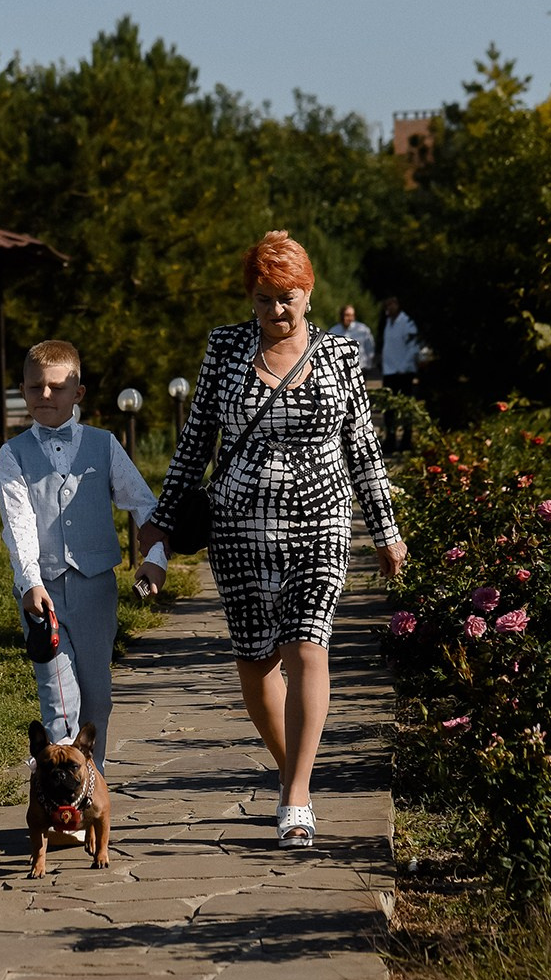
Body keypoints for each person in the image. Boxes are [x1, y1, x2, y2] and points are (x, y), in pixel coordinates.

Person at [140, 232, 406, 849]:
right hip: (238, 527)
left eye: (286, 299)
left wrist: (386, 532)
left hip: (322, 521)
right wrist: (161, 516)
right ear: (250, 299)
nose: (275, 312)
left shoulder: (341, 355)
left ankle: (296, 797)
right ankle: (296, 772)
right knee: (257, 659)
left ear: (309, 294)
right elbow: (195, 441)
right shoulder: (227, 348)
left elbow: (363, 451)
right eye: (264, 300)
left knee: (307, 645)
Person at [0, 339, 167, 783]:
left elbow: (143, 504)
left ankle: (93, 782)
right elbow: (19, 525)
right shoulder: (13, 455)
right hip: (43, 593)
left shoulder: (104, 445)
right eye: (35, 388)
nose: (45, 396)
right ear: (22, 390)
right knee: (59, 697)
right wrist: (30, 581)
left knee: (97, 697)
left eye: (56, 387)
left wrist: (156, 557)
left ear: (79, 393)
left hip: (96, 589)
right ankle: (60, 794)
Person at [379, 296, 420, 454]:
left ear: (397, 305)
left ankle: (406, 440)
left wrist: (403, 366)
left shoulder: (406, 322)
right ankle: (390, 439)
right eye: (386, 305)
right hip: (389, 371)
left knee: (406, 407)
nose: (388, 308)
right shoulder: (388, 323)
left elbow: (413, 347)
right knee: (389, 408)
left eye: (391, 305)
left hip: (404, 372)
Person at [327, 303, 375, 374]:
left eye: (350, 315)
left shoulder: (362, 329)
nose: (347, 318)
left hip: (360, 368)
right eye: (346, 315)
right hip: (341, 370)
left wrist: (368, 365)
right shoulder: (334, 331)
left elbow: (369, 348)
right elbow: (329, 350)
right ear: (341, 316)